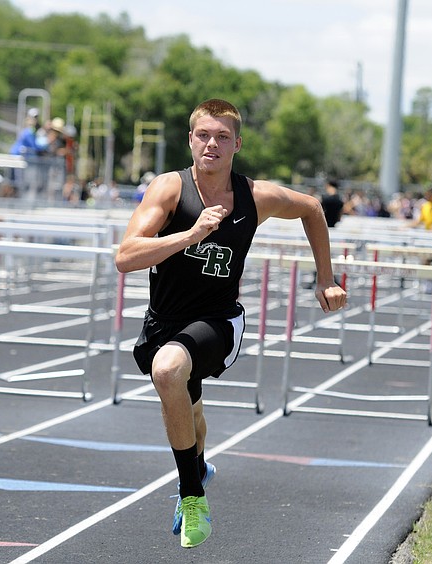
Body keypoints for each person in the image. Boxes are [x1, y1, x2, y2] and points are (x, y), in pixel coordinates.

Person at [114, 99, 346, 549]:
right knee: (188, 409)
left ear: (237, 144)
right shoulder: (168, 189)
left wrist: (326, 279)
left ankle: (191, 494)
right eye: (204, 135)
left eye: (222, 137)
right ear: (191, 140)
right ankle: (198, 466)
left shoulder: (254, 195)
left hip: (217, 320)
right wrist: (189, 234)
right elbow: (125, 257)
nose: (212, 144)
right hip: (165, 321)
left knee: (167, 371)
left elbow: (313, 209)